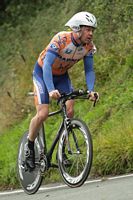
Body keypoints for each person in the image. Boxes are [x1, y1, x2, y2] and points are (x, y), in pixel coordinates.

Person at [25, 11, 99, 169]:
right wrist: (51, 89)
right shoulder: (61, 39)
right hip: (42, 74)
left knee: (70, 111)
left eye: (92, 30)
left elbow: (90, 71)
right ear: (77, 29)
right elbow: (46, 65)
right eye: (87, 29)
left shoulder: (88, 47)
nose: (91, 33)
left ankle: (63, 151)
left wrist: (91, 90)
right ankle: (29, 147)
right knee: (43, 114)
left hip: (62, 77)